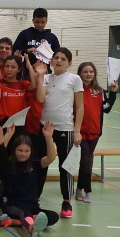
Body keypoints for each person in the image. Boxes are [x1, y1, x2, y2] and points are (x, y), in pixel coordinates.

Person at [35, 48, 83, 218]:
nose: (59, 61)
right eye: (56, 57)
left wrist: (77, 131)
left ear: (69, 63)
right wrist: (40, 76)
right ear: (51, 60)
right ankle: (36, 196)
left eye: (63, 59)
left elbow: (80, 107)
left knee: (65, 166)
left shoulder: (74, 79)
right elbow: (40, 99)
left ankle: (66, 202)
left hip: (65, 128)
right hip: (45, 127)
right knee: (41, 163)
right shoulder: (46, 78)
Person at [0, 123, 59, 237]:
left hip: (32, 206)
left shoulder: (34, 164)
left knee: (53, 216)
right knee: (23, 213)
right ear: (14, 150)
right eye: (20, 150)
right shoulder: (7, 164)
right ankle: (32, 230)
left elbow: (51, 158)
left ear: (31, 151)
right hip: (12, 205)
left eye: (26, 151)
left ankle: (16, 221)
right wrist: (8, 135)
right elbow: (0, 154)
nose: (23, 153)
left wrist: (49, 137)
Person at [77, 62, 118, 203]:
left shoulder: (99, 90)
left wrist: (112, 93)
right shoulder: (76, 89)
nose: (88, 74)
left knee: (86, 161)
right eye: (85, 71)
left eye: (91, 71)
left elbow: (106, 108)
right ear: (80, 73)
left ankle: (79, 188)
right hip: (79, 132)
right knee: (87, 160)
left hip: (95, 132)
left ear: (94, 74)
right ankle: (88, 191)